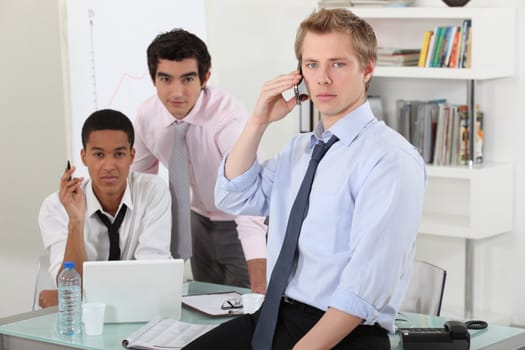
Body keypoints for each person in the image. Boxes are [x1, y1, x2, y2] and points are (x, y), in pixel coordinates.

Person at [184, 8, 426, 350]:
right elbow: (235, 196)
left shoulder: (390, 160)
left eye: (337, 64)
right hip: (276, 315)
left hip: (342, 331)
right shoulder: (300, 149)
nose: (323, 78)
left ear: (367, 69)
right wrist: (258, 121)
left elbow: (364, 288)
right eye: (312, 65)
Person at [131, 29, 267, 293]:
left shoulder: (229, 123)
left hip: (240, 222)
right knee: (205, 303)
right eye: (166, 79)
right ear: (153, 79)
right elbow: (141, 184)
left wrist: (261, 285)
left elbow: (250, 202)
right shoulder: (148, 115)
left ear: (205, 77)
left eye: (188, 79)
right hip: (195, 223)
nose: (177, 92)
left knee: (244, 309)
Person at [38, 109, 172, 308]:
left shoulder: (152, 190)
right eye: (99, 154)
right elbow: (69, 287)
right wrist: (75, 221)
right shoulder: (56, 206)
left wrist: (74, 297)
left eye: (119, 154)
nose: (109, 166)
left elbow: (152, 276)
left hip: (138, 313)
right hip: (82, 322)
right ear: (84, 157)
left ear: (131, 155)